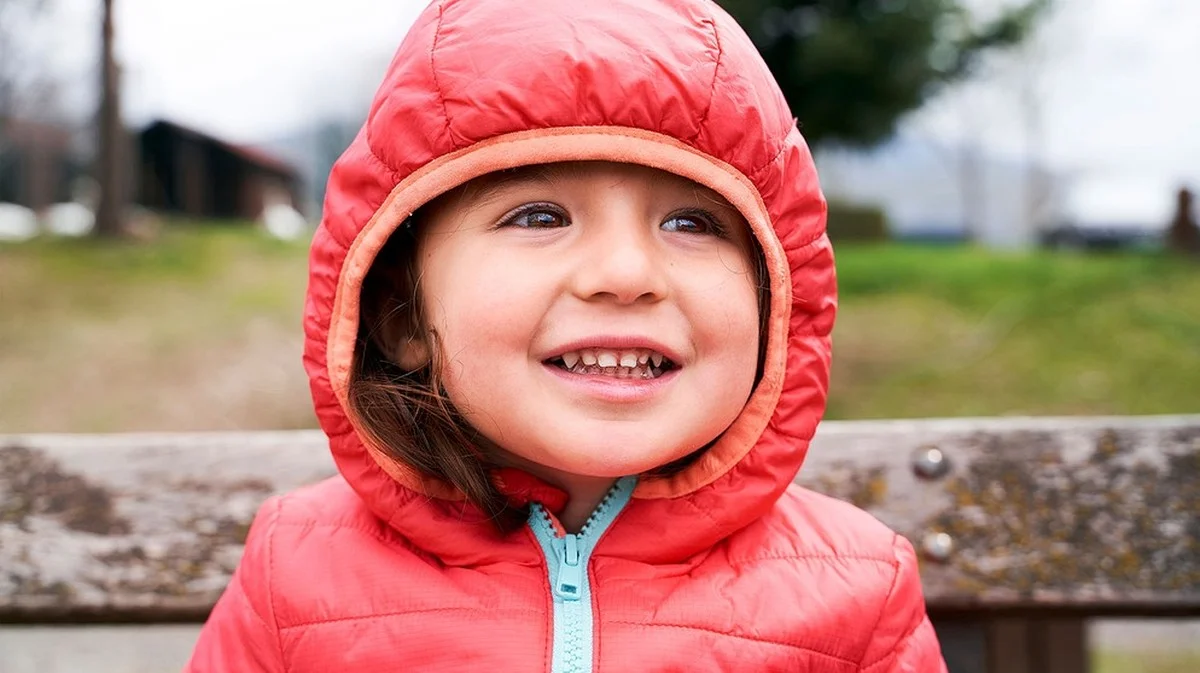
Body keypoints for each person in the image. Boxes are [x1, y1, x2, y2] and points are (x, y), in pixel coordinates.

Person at [186, 0, 946, 670]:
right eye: (540, 216)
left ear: (777, 298)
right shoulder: (295, 574)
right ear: (402, 317)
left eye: (691, 222)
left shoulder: (854, 587)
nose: (624, 271)